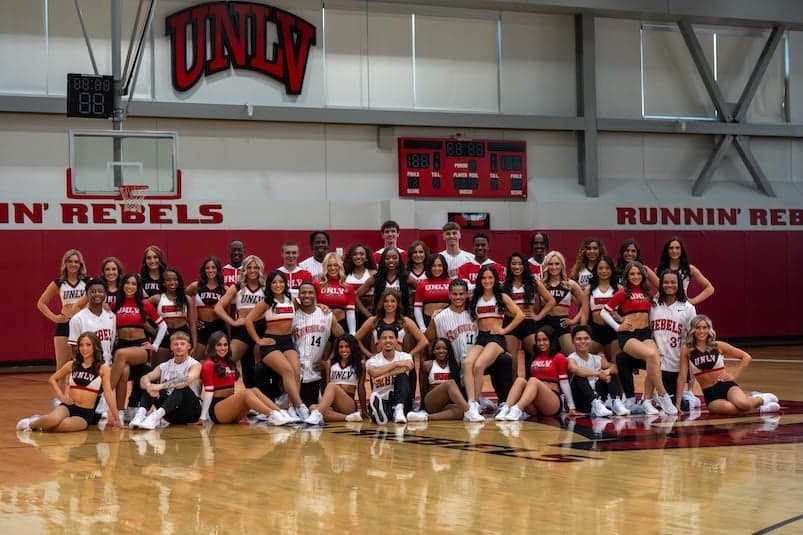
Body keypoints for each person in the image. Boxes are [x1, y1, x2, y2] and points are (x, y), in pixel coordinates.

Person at [600, 261, 677, 415]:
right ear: (627, 276)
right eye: (632, 274)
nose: (635, 276)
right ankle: (663, 395)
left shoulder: (647, 293)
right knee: (651, 355)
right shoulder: (623, 293)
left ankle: (647, 401)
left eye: (638, 273)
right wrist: (617, 326)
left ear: (643, 275)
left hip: (645, 333)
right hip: (629, 335)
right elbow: (604, 312)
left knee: (656, 358)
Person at [17, 332, 121, 431]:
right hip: (68, 407)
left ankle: (42, 422)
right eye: (81, 345)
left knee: (64, 425)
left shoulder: (103, 368)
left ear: (95, 346)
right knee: (52, 420)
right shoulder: (73, 365)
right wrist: (61, 397)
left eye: (88, 345)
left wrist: (116, 419)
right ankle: (30, 424)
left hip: (85, 414)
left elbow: (108, 393)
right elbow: (53, 379)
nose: (84, 348)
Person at [677, 314, 779, 415]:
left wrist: (734, 374)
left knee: (743, 404)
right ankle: (761, 409)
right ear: (693, 330)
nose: (701, 331)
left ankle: (761, 399)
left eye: (705, 327)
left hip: (726, 386)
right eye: (698, 328)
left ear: (709, 329)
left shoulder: (718, 345)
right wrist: (677, 404)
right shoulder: (686, 350)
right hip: (710, 394)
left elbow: (746, 357)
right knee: (730, 409)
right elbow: (682, 377)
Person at [462, 265, 525, 422]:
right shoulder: (475, 297)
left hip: (496, 338)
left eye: (490, 277)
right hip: (481, 337)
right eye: (484, 278)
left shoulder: (502, 297)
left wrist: (504, 330)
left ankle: (476, 404)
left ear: (495, 279)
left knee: (479, 365)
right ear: (480, 280)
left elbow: (520, 315)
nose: (487, 281)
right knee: (467, 363)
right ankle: (471, 404)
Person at [245, 270, 309, 421]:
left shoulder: (291, 299)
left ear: (285, 284)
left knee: (296, 370)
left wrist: (321, 306)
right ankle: (301, 407)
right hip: (271, 343)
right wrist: (258, 340)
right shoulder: (266, 302)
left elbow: (306, 307)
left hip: (287, 341)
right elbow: (248, 320)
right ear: (269, 285)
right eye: (274, 282)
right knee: (287, 370)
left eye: (281, 282)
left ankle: (291, 408)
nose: (278, 285)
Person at [196, 331, 292, 426]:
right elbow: (208, 392)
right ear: (212, 346)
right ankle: (273, 415)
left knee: (254, 390)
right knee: (246, 393)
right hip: (217, 410)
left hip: (231, 407)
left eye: (225, 345)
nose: (223, 348)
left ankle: (281, 413)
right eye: (219, 345)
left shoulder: (228, 362)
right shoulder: (209, 364)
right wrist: (203, 416)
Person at [111, 273, 167, 424]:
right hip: (122, 344)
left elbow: (163, 325)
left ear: (138, 287)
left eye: (133, 284)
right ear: (122, 285)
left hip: (140, 347)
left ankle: (105, 394)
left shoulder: (144, 304)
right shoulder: (116, 304)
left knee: (121, 355)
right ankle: (121, 413)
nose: (130, 286)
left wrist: (155, 345)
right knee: (124, 371)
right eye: (127, 283)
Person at [37, 249, 89, 398]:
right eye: (70, 261)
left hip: (83, 325)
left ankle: (81, 399)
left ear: (80, 264)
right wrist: (54, 317)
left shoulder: (88, 282)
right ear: (65, 263)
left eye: (76, 261)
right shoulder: (59, 283)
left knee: (83, 365)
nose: (73, 264)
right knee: (61, 366)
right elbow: (41, 303)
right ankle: (59, 400)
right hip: (65, 325)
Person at [496, 326, 574, 421]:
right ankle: (506, 408)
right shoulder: (535, 357)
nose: (541, 343)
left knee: (533, 380)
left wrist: (571, 406)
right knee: (520, 380)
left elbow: (564, 382)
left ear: (551, 340)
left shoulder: (559, 357)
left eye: (545, 340)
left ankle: (517, 409)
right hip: (534, 403)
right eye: (538, 340)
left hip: (552, 402)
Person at [129, 331, 202, 429]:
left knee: (181, 387)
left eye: (182, 344)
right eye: (176, 344)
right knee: (150, 385)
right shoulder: (164, 366)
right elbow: (144, 379)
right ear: (171, 347)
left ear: (188, 346)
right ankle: (140, 415)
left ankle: (155, 417)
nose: (179, 347)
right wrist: (149, 386)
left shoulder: (195, 364)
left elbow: (187, 379)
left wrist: (160, 386)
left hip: (191, 410)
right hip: (170, 413)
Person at [647, 269, 697, 409]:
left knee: (677, 404)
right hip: (657, 363)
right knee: (664, 403)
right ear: (661, 284)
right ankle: (648, 398)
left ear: (679, 284)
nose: (669, 285)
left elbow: (692, 338)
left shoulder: (688, 308)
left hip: (676, 364)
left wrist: (688, 367)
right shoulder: (654, 306)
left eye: (673, 282)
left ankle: (692, 400)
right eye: (666, 282)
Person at [214, 254, 265, 388]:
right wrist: (233, 322)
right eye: (249, 267)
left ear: (260, 269)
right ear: (244, 270)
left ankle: (265, 396)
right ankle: (220, 393)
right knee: (227, 361)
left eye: (256, 267)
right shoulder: (238, 287)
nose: (252, 270)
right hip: (242, 329)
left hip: (261, 328)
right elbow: (218, 307)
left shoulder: (266, 287)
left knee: (261, 366)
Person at [502, 252, 556, 378]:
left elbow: (551, 301)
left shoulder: (533, 282)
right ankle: (514, 386)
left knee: (537, 353)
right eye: (514, 264)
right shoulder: (504, 285)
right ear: (509, 266)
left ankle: (539, 381)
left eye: (520, 264)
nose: (517, 267)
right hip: (510, 323)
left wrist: (538, 316)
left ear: (525, 266)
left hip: (528, 323)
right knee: (512, 359)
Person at [293, 281, 345, 407]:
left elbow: (344, 339)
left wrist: (328, 360)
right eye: (303, 293)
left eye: (310, 292)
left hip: (314, 373)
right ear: (298, 295)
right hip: (295, 372)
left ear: (316, 295)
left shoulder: (327, 315)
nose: (307, 295)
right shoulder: (292, 315)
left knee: (311, 408)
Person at [566, 325, 629, 416]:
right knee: (579, 376)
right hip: (580, 400)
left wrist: (607, 372)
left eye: (586, 338)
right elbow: (575, 369)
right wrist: (599, 374)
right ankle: (595, 404)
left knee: (610, 373)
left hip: (598, 397)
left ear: (591, 340)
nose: (583, 341)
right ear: (573, 341)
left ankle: (615, 402)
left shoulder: (597, 358)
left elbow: (615, 368)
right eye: (579, 339)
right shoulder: (571, 358)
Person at [304, 334, 366, 424]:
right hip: (333, 404)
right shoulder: (330, 363)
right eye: (341, 347)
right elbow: (327, 384)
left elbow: (361, 389)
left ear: (352, 347)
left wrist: (364, 410)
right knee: (312, 408)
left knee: (331, 386)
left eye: (347, 347)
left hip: (348, 404)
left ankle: (318, 413)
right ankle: (349, 418)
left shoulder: (359, 365)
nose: (343, 350)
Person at [408, 338, 468, 422]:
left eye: (444, 348)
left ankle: (424, 417)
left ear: (448, 350)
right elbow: (423, 385)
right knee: (450, 383)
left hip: (445, 403)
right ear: (433, 351)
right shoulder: (428, 364)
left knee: (462, 411)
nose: (441, 351)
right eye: (438, 348)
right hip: (431, 401)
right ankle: (470, 411)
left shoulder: (455, 364)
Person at [366, 325, 415, 425]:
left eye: (391, 337)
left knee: (402, 376)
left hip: (401, 400)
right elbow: (374, 372)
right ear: (379, 341)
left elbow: (409, 366)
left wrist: (384, 375)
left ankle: (399, 409)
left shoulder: (405, 356)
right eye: (384, 338)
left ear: (396, 340)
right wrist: (396, 364)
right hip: (382, 400)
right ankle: (379, 411)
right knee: (381, 413)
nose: (388, 340)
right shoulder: (373, 360)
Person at [541, 250, 586, 355]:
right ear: (546, 266)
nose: (554, 267)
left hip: (562, 323)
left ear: (562, 265)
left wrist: (574, 320)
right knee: (546, 357)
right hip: (544, 324)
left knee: (572, 356)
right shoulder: (541, 285)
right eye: (550, 264)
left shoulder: (570, 284)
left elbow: (586, 303)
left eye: (557, 264)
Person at [149, 268, 196, 366]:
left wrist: (194, 345)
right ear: (163, 283)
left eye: (175, 279)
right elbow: (140, 313)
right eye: (168, 280)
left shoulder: (186, 299)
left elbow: (192, 324)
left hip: (183, 334)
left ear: (179, 281)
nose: (172, 282)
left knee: (182, 369)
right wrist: (152, 330)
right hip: (164, 334)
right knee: (159, 369)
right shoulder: (156, 298)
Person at [356, 248, 416, 320]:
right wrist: (368, 314)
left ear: (399, 260)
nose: (391, 260)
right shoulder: (376, 278)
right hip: (380, 318)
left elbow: (422, 290)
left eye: (394, 258)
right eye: (387, 258)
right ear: (383, 260)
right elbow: (356, 295)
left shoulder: (406, 278)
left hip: (401, 319)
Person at [186, 256, 228, 357]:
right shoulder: (196, 286)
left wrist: (229, 335)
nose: (210, 270)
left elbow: (227, 313)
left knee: (219, 358)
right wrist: (191, 321)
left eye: (213, 267)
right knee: (195, 357)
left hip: (218, 326)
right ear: (204, 270)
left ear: (218, 270)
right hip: (202, 326)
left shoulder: (225, 289)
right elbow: (181, 299)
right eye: (207, 268)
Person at [68, 278, 116, 366]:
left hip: (107, 366)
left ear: (105, 294)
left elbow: (112, 344)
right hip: (87, 367)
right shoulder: (77, 319)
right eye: (93, 292)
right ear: (87, 294)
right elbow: (74, 348)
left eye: (100, 291)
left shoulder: (111, 316)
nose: (97, 294)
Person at [655, 236, 715, 306]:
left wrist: (694, 301)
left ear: (682, 250)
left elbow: (710, 288)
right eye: (671, 248)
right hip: (663, 306)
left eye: (677, 248)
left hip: (682, 306)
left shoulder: (689, 269)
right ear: (667, 250)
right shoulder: (659, 269)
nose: (674, 251)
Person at [583, 255, 621, 359]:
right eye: (600, 268)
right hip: (596, 332)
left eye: (607, 268)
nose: (604, 271)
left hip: (614, 331)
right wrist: (582, 331)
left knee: (616, 362)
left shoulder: (619, 288)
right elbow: (585, 314)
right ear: (596, 270)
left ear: (612, 269)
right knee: (582, 359)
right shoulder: (589, 290)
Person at [315, 252, 357, 334]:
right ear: (325, 267)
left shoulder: (348, 287)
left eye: (335, 265)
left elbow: (350, 312)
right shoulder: (317, 284)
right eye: (329, 265)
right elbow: (311, 307)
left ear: (340, 267)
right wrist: (319, 305)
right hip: (321, 325)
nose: (333, 268)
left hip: (341, 324)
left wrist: (352, 332)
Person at [413, 253, 451, 331]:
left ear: (444, 267)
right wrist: (422, 327)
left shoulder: (451, 282)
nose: (437, 268)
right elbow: (417, 308)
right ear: (429, 267)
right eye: (433, 266)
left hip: (448, 321)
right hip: (427, 321)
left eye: (440, 265)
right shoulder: (422, 284)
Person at [343, 242, 377, 327]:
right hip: (350, 314)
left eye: (362, 254)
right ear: (351, 257)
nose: (358, 257)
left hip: (371, 314)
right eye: (355, 254)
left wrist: (369, 315)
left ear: (366, 257)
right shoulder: (344, 276)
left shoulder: (373, 273)